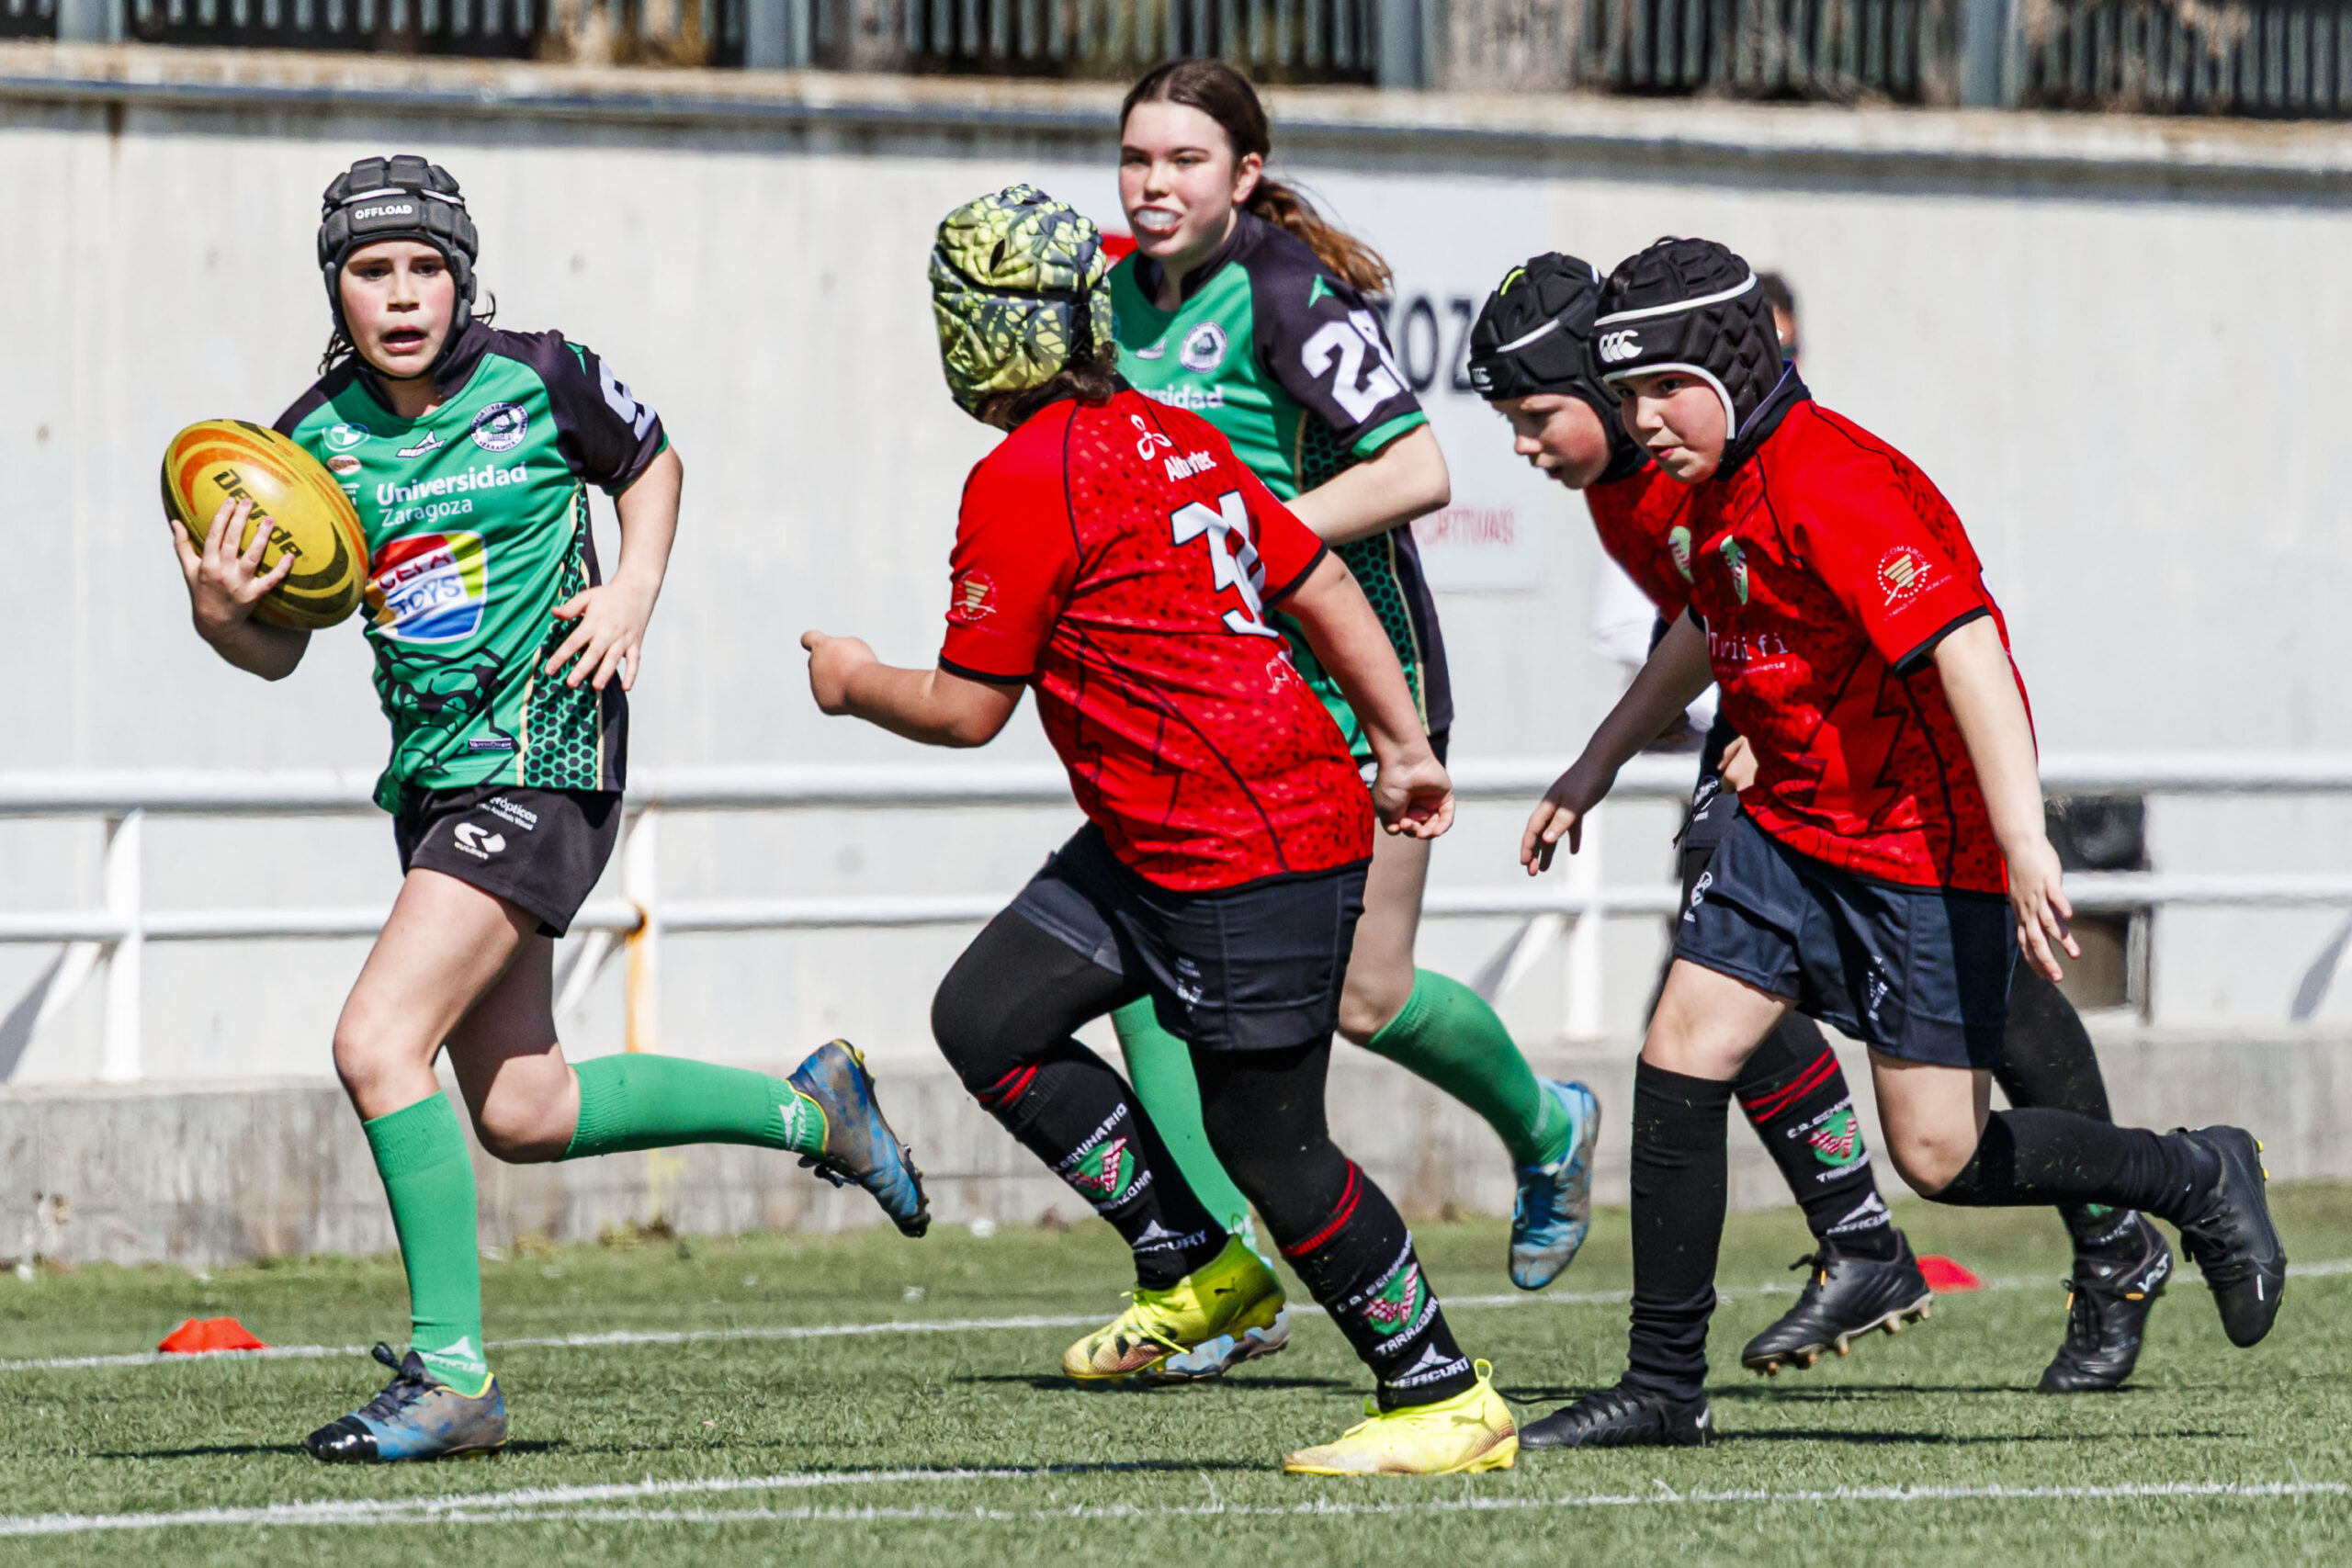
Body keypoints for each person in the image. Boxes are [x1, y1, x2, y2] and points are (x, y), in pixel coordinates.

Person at [173, 155, 929, 1464]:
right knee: (525, 1109)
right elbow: (281, 650)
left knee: (374, 1041)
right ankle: (819, 1111)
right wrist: (221, 614)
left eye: (426, 266)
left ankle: (454, 1375)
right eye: (372, 270)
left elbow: (652, 461)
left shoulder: (544, 373)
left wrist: (635, 586)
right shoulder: (308, 445)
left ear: (464, 273)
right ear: (336, 288)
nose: (403, 295)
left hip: (544, 752)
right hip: (434, 780)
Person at [1511, 237, 2285, 1449]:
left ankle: (2190, 1175)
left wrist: (2024, 838)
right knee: (1682, 1050)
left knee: (1942, 1152)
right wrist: (1596, 763)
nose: (1642, 420)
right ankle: (1664, 1385)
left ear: (1730, 364)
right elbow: (1708, 630)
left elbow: (1968, 646)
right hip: (1789, 825)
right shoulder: (1702, 486)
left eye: (1663, 388)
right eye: (1623, 399)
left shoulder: (1837, 480)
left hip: (1914, 846)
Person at [801, 185, 1517, 1475]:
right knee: (990, 1016)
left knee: (1271, 1139)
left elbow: (968, 711)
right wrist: (1400, 743)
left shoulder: (1022, 479)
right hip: (1174, 829)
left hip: (1244, 842)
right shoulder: (1172, 432)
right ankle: (1196, 1262)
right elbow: (1312, 573)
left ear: (972, 333)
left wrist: (854, 681)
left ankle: (1440, 1391)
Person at [1104, 60, 1600, 1325]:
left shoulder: (1281, 291)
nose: (1155, 185)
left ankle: (1549, 1126)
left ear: (1245, 176)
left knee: (1368, 993)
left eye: (1185, 162)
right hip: (1211, 688)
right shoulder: (1111, 300)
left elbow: (1419, 468)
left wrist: (1245, 541)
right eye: (1136, 159)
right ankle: (1213, 1273)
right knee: (1160, 961)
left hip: (1355, 674)